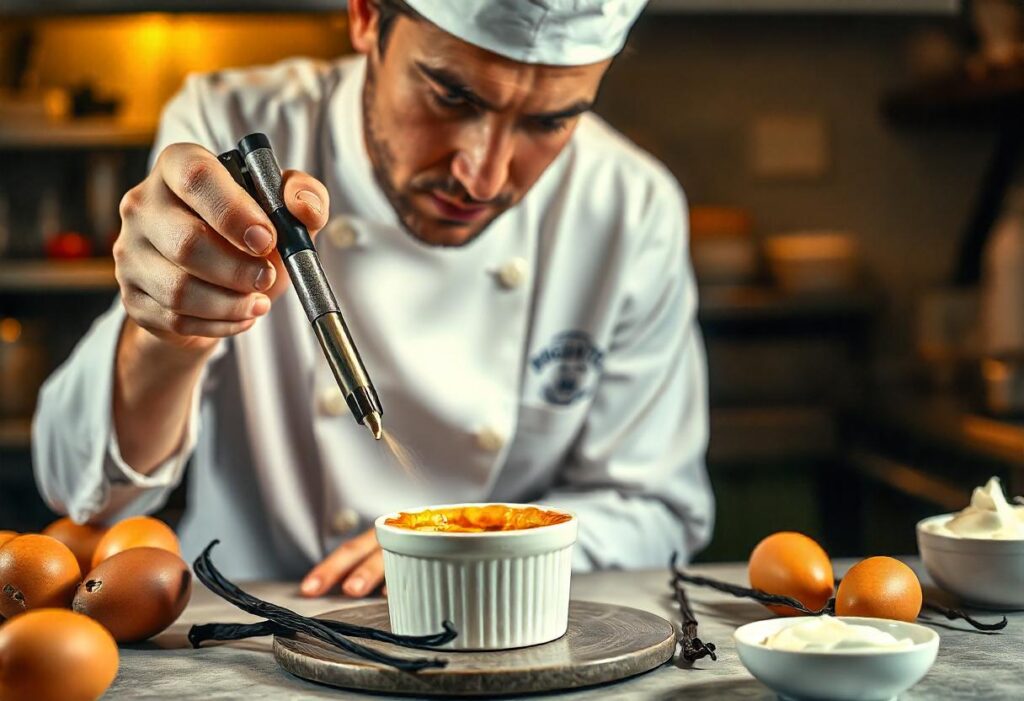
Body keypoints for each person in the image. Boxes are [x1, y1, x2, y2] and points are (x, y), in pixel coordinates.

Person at [33, 0, 713, 597]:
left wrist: (473, 550)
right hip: (248, 636)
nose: (483, 176)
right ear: (365, 15)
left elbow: (657, 508)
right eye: (452, 96)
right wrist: (165, 334)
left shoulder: (629, 206)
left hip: (491, 639)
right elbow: (79, 489)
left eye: (550, 123)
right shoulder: (230, 126)